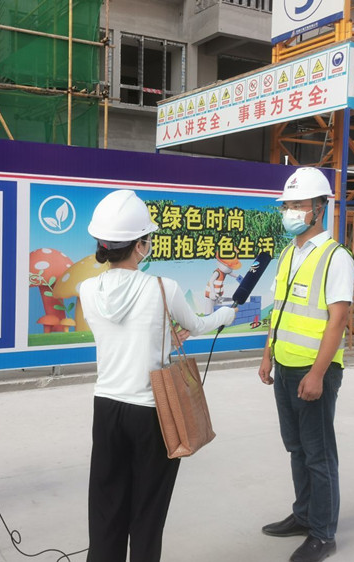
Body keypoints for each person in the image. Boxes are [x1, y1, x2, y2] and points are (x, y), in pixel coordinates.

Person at [79, 189, 236, 562]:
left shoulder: (87, 289)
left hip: (106, 407)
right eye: (147, 238)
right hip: (153, 410)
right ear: (139, 245)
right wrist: (226, 314)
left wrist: (164, 335)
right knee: (148, 512)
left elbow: (125, 334)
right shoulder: (164, 287)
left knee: (105, 507)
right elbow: (197, 324)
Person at [257, 168, 354, 562]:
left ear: (319, 208)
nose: (290, 212)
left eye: (298, 204)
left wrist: (317, 373)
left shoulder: (335, 257)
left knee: (319, 454)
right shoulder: (288, 253)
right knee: (296, 448)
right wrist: (267, 354)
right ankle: (303, 516)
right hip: (284, 365)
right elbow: (279, 309)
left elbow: (338, 318)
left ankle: (322, 534)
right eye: (287, 205)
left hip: (315, 372)